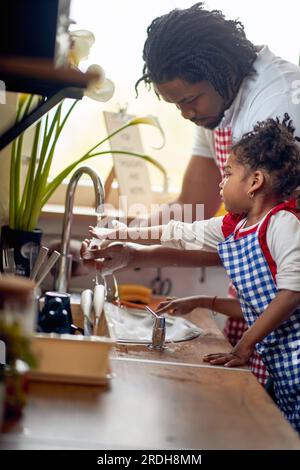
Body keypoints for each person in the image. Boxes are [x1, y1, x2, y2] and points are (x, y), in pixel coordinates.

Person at [85, 2, 300, 385]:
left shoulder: (277, 107)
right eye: (176, 104)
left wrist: (136, 246)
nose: (186, 114)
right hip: (259, 305)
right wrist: (128, 244)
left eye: (189, 100)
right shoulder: (218, 101)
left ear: (223, 72)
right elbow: (191, 208)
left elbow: (256, 242)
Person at [82, 115, 300, 432]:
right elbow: (180, 232)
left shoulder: (283, 224)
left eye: (228, 174)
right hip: (284, 370)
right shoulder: (237, 226)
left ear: (254, 182)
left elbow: (292, 295)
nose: (221, 182)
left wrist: (245, 345)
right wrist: (124, 234)